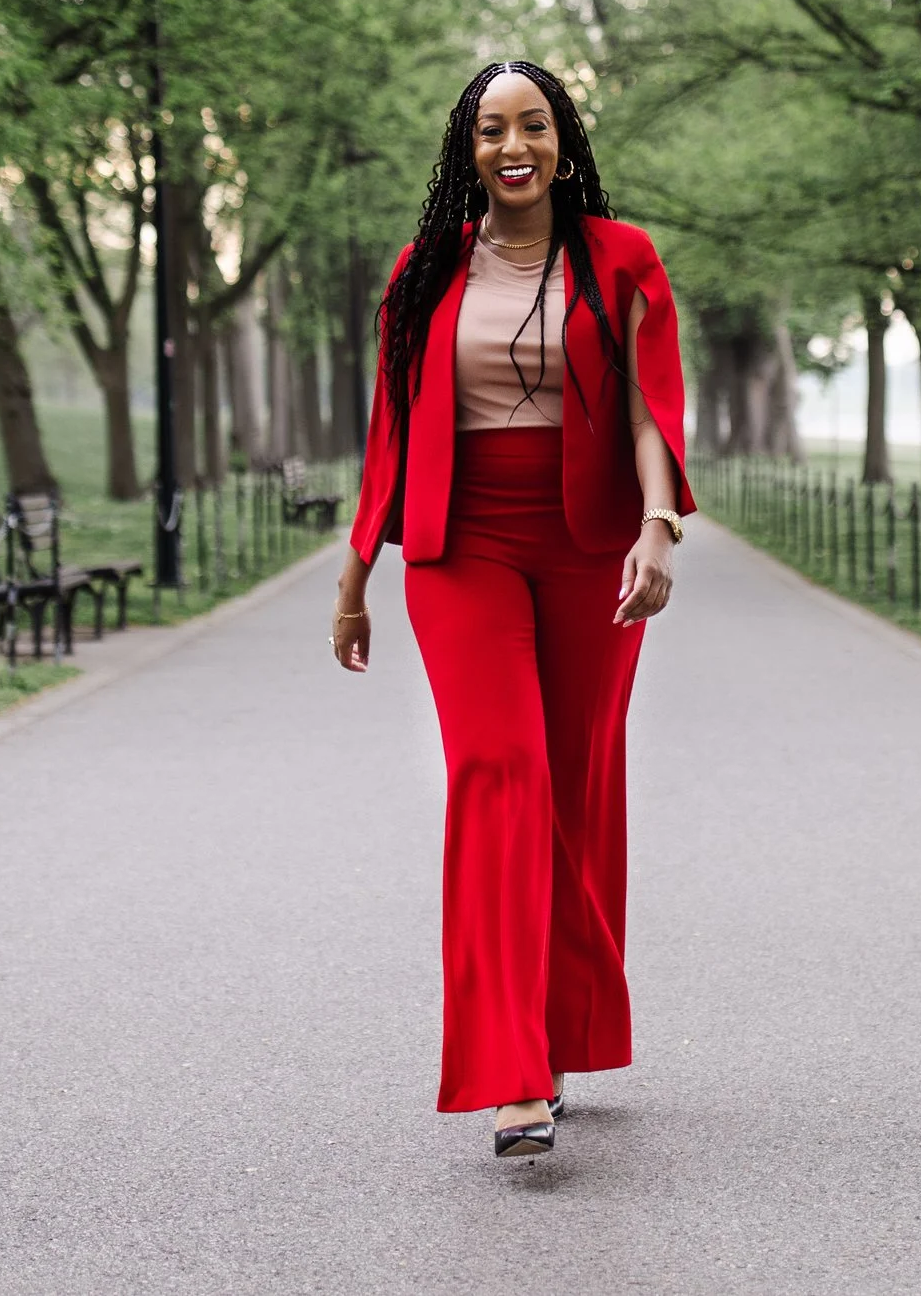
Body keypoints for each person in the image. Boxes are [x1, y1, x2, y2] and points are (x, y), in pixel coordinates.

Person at [330, 59, 693, 1161]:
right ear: (469, 148)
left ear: (562, 140)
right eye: (491, 130)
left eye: (532, 125)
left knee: (575, 788)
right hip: (463, 544)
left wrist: (657, 525)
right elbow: (392, 426)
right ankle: (509, 1074)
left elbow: (649, 404)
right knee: (500, 769)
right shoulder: (425, 269)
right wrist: (354, 577)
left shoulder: (620, 257)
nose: (513, 146)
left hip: (588, 546)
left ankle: (559, 1034)